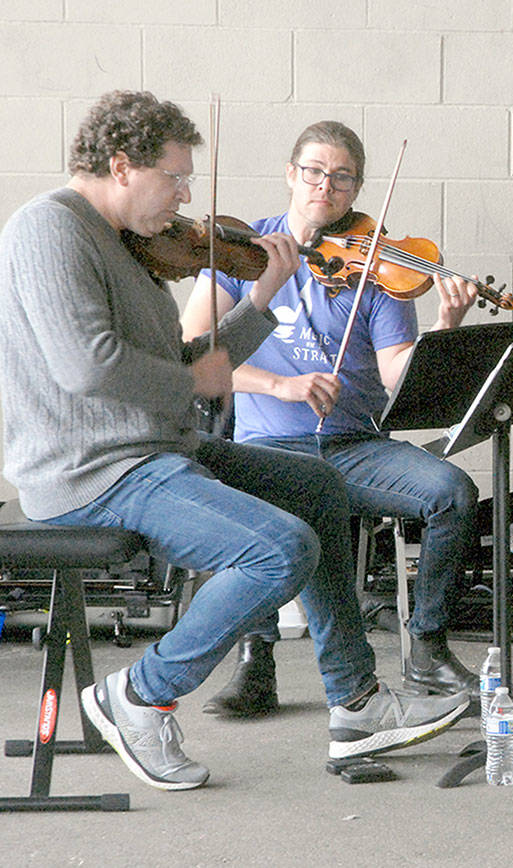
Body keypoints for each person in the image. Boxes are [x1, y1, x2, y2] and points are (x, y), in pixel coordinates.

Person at [0, 91, 468, 791]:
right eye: (176, 177)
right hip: (93, 469)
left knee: (319, 487)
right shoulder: (49, 230)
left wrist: (262, 298)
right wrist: (197, 384)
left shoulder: (127, 243)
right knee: (279, 548)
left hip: (155, 449)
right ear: (123, 166)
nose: (186, 195)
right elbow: (88, 368)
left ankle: (356, 702)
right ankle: (138, 696)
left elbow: (190, 361)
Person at [178, 121, 480, 717]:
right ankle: (254, 662)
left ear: (357, 188)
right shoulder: (247, 250)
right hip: (266, 443)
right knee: (262, 508)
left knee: (453, 492)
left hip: (351, 443)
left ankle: (426, 644)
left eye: (342, 177)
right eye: (315, 171)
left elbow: (397, 375)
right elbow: (193, 350)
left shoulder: (379, 267)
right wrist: (280, 385)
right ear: (292, 174)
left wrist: (447, 330)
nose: (327, 186)